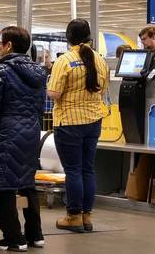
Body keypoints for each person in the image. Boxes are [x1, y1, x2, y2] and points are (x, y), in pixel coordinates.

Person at [0, 26, 46, 251]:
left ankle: (14, 238)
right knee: (27, 182)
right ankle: (35, 235)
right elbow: (39, 107)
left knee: (2, 185)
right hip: (32, 131)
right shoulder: (39, 73)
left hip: (8, 132)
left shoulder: (2, 72)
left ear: (9, 45)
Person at [47, 19, 109, 234]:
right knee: (87, 169)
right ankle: (86, 216)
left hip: (69, 122)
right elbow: (102, 92)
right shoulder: (100, 61)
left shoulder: (64, 61)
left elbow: (54, 93)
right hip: (94, 120)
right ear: (90, 36)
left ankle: (73, 217)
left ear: (68, 37)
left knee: (72, 170)